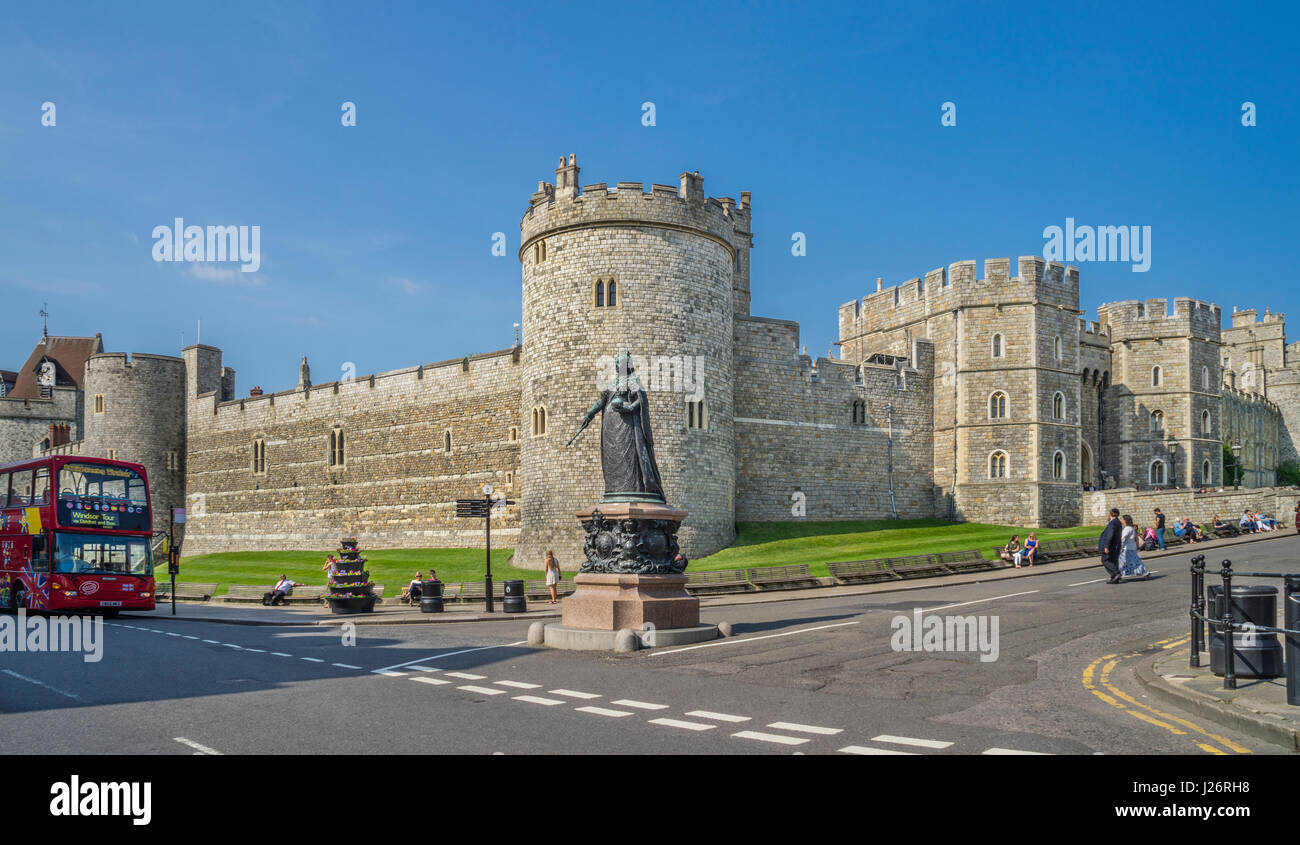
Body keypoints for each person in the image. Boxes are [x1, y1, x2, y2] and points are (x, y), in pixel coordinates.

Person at [1120, 515, 1150, 580]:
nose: (1121, 520)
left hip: (1127, 548)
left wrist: (1120, 546)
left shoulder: (1127, 529)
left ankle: (1120, 574)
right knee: (1135, 561)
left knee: (1124, 561)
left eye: (1122, 519)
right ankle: (1145, 572)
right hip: (1132, 547)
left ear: (1125, 520)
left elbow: (1123, 538)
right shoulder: (1131, 528)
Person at [1098, 508, 1123, 583]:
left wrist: (1106, 546)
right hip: (1116, 546)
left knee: (1105, 560)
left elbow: (1110, 535)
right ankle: (1114, 578)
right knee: (1113, 561)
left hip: (1111, 546)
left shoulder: (1112, 523)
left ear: (1111, 514)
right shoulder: (1118, 522)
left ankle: (1116, 573)